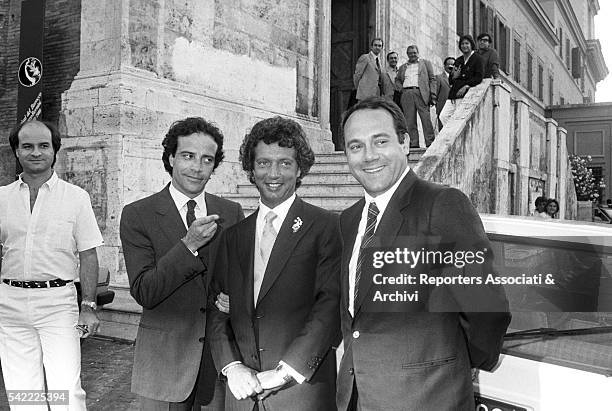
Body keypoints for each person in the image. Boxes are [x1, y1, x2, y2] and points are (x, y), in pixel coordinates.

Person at [337, 97, 511, 411]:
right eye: (355, 146)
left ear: (404, 143)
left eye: (380, 141)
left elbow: (487, 308)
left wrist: (449, 364)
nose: (369, 156)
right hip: (357, 398)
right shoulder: (348, 221)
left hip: (428, 400)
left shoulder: (442, 205)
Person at [207, 116, 341, 411]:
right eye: (264, 163)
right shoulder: (233, 237)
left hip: (299, 394)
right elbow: (217, 310)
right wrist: (232, 367)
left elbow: (329, 307)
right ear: (251, 170)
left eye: (285, 163)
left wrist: (286, 372)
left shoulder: (326, 227)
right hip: (242, 394)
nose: (273, 173)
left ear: (299, 169)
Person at [120, 117, 244, 410]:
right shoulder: (138, 214)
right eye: (188, 156)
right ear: (171, 158)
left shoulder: (230, 212)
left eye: (207, 159)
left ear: (214, 166)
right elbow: (144, 291)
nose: (197, 167)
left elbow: (240, 277)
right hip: (163, 363)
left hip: (218, 363)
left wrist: (235, 297)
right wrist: (188, 246)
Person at [0, 120, 104, 411]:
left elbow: (89, 255)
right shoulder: (2, 198)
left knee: (66, 393)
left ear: (54, 151)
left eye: (43, 146)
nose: (36, 152)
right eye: (27, 146)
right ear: (16, 152)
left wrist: (89, 305)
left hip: (58, 303)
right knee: (23, 393)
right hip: (9, 303)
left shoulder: (75, 198)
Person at [395, 45, 437, 148]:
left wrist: (433, 94)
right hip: (407, 93)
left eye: (414, 52)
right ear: (407, 54)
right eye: (410, 53)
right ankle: (413, 144)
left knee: (426, 119)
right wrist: (401, 89)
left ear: (418, 53)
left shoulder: (425, 64)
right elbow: (397, 80)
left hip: (421, 92)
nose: (412, 54)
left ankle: (430, 143)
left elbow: (432, 79)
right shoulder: (403, 67)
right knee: (409, 121)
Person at [439, 35, 485, 127]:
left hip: (466, 94)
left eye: (467, 43)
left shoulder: (478, 59)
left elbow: (479, 77)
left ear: (471, 44)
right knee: (443, 116)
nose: (464, 46)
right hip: (453, 94)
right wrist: (454, 76)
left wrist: (466, 86)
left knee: (459, 118)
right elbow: (451, 81)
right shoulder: (458, 60)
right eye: (462, 44)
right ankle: (453, 133)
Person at [435, 57, 455, 131]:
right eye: (448, 64)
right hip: (442, 107)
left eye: (453, 64)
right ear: (444, 66)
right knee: (442, 130)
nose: (450, 66)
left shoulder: (458, 78)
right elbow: (436, 93)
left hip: (455, 108)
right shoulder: (439, 78)